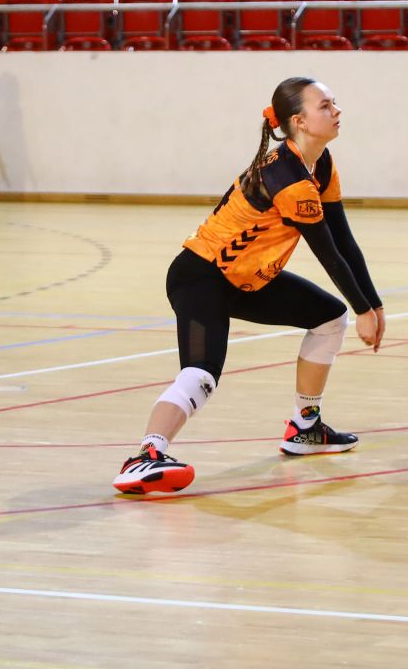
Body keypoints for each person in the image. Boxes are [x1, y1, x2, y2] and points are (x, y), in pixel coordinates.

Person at [113, 77, 385, 495]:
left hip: (249, 280)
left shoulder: (322, 165)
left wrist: (373, 304)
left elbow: (345, 241)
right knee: (201, 375)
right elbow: (328, 253)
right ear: (299, 121)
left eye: (334, 103)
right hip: (201, 276)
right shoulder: (288, 178)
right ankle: (145, 456)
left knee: (331, 318)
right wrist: (364, 310)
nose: (337, 111)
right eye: (326, 105)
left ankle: (305, 428)